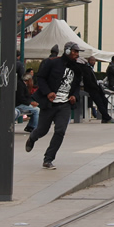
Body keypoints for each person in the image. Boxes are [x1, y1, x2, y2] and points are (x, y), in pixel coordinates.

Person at [27, 41, 84, 169]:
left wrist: (74, 95)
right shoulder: (52, 63)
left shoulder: (77, 68)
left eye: (78, 52)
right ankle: (32, 137)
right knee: (42, 130)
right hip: (50, 103)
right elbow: (41, 78)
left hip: (64, 104)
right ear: (67, 51)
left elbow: (77, 86)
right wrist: (48, 93)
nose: (77, 54)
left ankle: (48, 159)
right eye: (75, 51)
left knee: (60, 131)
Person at [76, 55, 114, 124]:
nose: (94, 62)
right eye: (92, 61)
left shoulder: (89, 68)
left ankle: (105, 117)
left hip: (95, 88)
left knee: (104, 101)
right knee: (100, 102)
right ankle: (106, 117)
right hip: (92, 89)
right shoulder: (86, 69)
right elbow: (88, 81)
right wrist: (95, 86)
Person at [15, 56, 40, 133]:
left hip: (22, 103)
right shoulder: (20, 85)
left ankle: (31, 126)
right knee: (36, 110)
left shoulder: (24, 85)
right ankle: (33, 127)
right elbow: (21, 98)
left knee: (36, 109)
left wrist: (31, 103)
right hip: (19, 105)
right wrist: (30, 103)